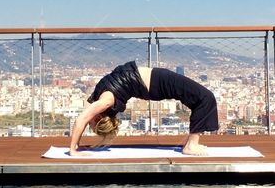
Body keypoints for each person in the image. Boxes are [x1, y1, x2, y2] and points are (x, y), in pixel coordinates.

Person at [69, 61, 219, 156]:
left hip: (157, 81)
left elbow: (83, 119)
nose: (89, 122)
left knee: (201, 98)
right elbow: (80, 119)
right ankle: (191, 145)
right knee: (205, 97)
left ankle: (193, 142)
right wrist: (73, 149)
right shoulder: (106, 101)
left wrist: (75, 146)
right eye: (91, 124)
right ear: (98, 117)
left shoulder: (104, 100)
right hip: (158, 83)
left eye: (90, 124)